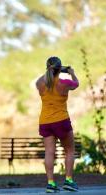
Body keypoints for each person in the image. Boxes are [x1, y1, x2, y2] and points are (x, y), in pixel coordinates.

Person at [35, 56, 79, 193]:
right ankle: (69, 181)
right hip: (61, 121)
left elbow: (44, 78)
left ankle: (51, 184)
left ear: (48, 68)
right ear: (59, 68)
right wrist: (71, 72)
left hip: (45, 122)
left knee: (49, 152)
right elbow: (76, 83)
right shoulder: (64, 83)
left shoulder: (39, 83)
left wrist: (53, 69)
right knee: (70, 150)